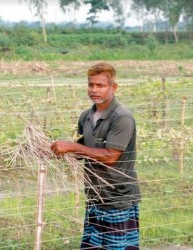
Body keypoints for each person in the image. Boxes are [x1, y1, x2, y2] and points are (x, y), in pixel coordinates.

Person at [50, 62, 141, 250]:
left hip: (117, 197)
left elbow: (110, 157)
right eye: (91, 85)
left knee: (117, 247)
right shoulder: (86, 116)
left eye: (100, 85)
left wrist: (71, 146)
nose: (94, 90)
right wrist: (52, 150)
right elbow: (83, 150)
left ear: (113, 87)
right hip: (94, 196)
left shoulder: (122, 117)